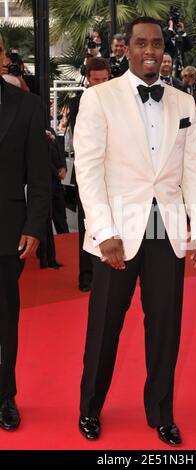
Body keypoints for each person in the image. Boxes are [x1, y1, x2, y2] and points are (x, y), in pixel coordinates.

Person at [74, 17, 196, 445]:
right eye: (140, 43)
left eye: (156, 43)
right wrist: (103, 231)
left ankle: (161, 413)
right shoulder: (99, 99)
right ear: (126, 49)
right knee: (105, 326)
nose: (150, 50)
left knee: (165, 328)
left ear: (164, 49)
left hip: (164, 228)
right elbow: (88, 171)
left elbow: (193, 169)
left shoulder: (183, 102)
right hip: (117, 229)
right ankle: (89, 408)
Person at [0, 34, 50, 431]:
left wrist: (36, 226)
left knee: (4, 319)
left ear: (2, 56)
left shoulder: (27, 105)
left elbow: (39, 173)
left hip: (7, 231)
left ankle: (4, 395)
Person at [69, 57, 111, 291]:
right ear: (88, 79)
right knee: (89, 226)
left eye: (105, 79)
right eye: (96, 80)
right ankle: (86, 276)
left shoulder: (119, 102)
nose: (101, 84)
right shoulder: (79, 103)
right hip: (88, 174)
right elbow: (82, 139)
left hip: (115, 175)